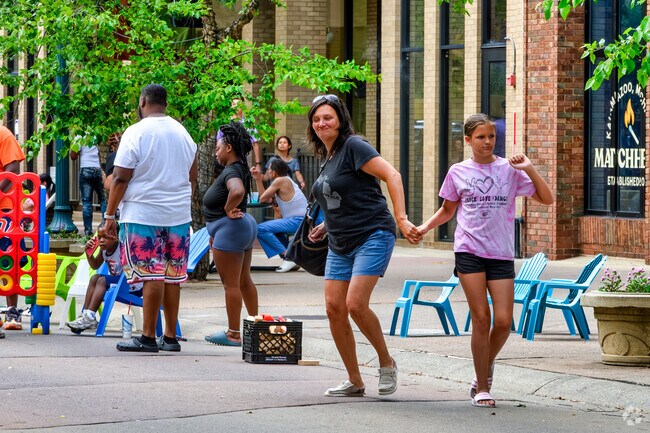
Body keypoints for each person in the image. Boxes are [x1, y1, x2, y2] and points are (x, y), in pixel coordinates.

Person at [416, 113, 553, 408]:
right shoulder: (458, 172)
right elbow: (447, 209)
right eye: (480, 137)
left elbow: (547, 198)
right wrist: (424, 228)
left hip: (501, 252)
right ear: (468, 140)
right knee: (482, 318)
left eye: (491, 136)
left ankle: (484, 364)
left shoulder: (509, 170)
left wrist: (530, 168)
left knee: (503, 322)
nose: (487, 142)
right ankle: (483, 387)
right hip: (469, 250)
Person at [305, 94, 421, 397]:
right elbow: (344, 197)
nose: (321, 124)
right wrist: (326, 224)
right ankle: (355, 379)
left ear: (341, 119)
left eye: (327, 117)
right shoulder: (327, 156)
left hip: (372, 235)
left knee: (355, 304)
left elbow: (391, 175)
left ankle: (386, 362)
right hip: (340, 242)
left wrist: (402, 217)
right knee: (333, 308)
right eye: (316, 119)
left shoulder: (354, 146)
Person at [104, 83, 198, 353]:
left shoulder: (136, 132)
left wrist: (110, 215)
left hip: (144, 213)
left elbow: (121, 177)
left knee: (152, 274)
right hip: (178, 215)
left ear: (143, 101)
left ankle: (146, 336)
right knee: (173, 276)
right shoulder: (183, 133)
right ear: (164, 103)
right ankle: (169, 337)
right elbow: (191, 177)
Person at [202, 121, 259, 347]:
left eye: (217, 147)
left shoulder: (232, 170)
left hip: (231, 229)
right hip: (241, 227)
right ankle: (255, 327)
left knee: (231, 285)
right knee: (244, 280)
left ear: (228, 148)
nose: (216, 152)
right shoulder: (240, 167)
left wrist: (226, 209)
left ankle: (234, 333)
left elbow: (238, 191)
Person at [66, 222, 143, 333]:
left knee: (102, 280)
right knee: (94, 278)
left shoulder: (123, 248)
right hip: (118, 283)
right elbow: (95, 265)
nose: (101, 240)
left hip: (133, 286)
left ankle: (89, 317)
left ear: (116, 237)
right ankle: (87, 315)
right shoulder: (104, 250)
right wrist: (88, 253)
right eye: (99, 237)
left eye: (106, 237)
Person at [251, 158, 313, 273]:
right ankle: (291, 257)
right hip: (299, 220)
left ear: (274, 172)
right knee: (275, 231)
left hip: (298, 220)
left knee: (259, 229)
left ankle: (288, 257)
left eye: (269, 169)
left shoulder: (280, 181)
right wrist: (258, 180)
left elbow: (263, 198)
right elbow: (267, 199)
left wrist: (259, 179)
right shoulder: (285, 181)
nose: (268, 172)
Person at [0, 124, 26, 337]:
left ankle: (11, 310)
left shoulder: (3, 134)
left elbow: (13, 169)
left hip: (6, 208)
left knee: (10, 259)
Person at [70, 136, 107, 236]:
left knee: (87, 202)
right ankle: (106, 227)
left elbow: (73, 156)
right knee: (103, 200)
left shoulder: (79, 135)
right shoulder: (99, 132)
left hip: (85, 169)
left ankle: (88, 231)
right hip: (99, 169)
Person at [231, 97, 262, 171]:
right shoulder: (226, 122)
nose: (235, 107)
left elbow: (255, 143)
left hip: (242, 160)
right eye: (233, 104)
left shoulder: (248, 123)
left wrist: (258, 164)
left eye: (238, 105)